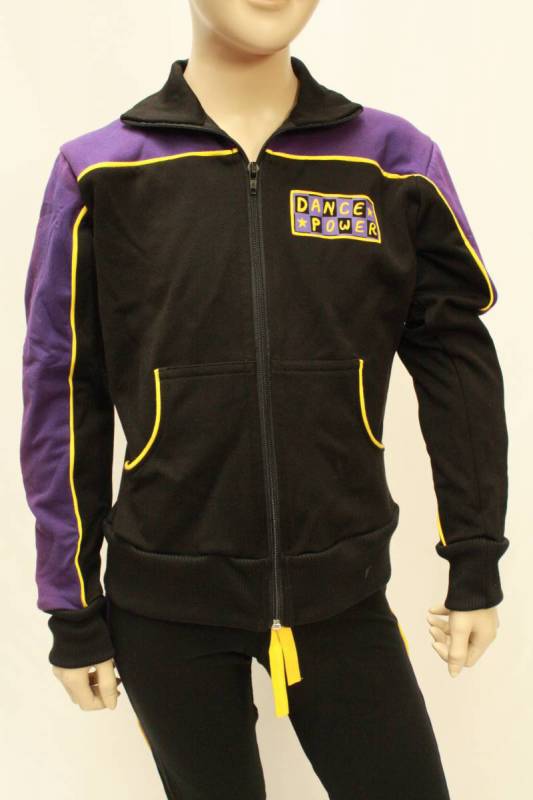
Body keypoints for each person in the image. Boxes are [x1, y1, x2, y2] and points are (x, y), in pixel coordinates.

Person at [19, 1, 509, 797]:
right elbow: (61, 388)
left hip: (342, 593)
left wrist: (474, 557)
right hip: (163, 608)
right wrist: (73, 609)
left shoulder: (391, 162)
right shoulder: (101, 171)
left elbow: (456, 366)